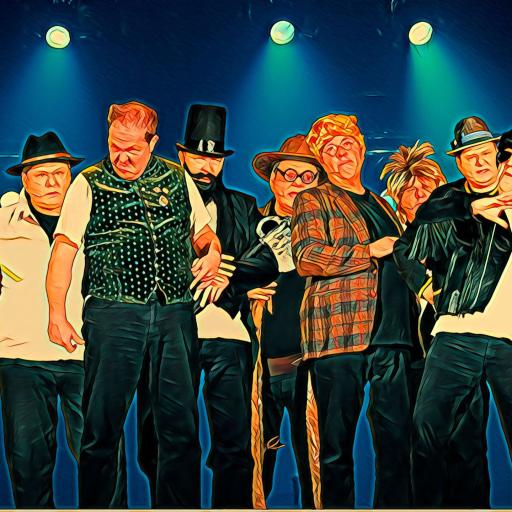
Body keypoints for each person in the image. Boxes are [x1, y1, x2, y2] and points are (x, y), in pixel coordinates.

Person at [45, 101, 221, 508]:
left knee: (180, 428)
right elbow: (64, 250)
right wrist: (56, 314)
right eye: (115, 146)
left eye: (133, 149)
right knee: (101, 428)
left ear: (152, 143)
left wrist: (211, 253)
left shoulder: (177, 178)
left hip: (175, 313)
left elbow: (203, 233)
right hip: (113, 313)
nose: (122, 157)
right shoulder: (89, 182)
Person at [138, 104, 278, 508]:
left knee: (234, 444)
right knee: (163, 439)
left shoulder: (242, 205)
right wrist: (196, 273)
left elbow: (267, 260)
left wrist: (227, 275)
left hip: (229, 336)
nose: (206, 166)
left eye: (214, 158)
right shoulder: (151, 203)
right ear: (181, 155)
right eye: (198, 157)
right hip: (169, 334)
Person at [291, 113, 422, 508]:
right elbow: (307, 257)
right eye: (329, 149)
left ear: (362, 148)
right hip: (339, 337)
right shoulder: (313, 199)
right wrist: (368, 251)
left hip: (395, 338)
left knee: (398, 446)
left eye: (346, 144)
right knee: (335, 449)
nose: (340, 154)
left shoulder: (383, 204)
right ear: (321, 160)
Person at [394, 116, 512, 507]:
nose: (479, 162)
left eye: (485, 152)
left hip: (509, 340)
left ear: (498, 154)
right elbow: (405, 248)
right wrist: (427, 289)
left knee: (472, 445)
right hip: (458, 332)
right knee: (429, 431)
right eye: (469, 156)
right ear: (458, 163)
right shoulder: (447, 200)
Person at [381, 140, 490, 507]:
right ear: (398, 200)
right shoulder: (392, 247)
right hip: (407, 363)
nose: (421, 196)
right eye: (412, 190)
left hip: (462, 355)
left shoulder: (467, 237)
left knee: (467, 448)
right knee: (409, 451)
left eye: (429, 189)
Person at [0, 132, 87, 508]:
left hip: (86, 355)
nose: (52, 182)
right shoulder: (3, 224)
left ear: (70, 176)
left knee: (101, 458)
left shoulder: (95, 222)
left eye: (59, 172)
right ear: (24, 178)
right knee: (28, 463)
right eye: (41, 174)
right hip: (21, 358)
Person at [249, 134, 323, 509]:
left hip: (310, 365)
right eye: (288, 173)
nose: (296, 183)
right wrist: (243, 288)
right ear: (272, 178)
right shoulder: (249, 224)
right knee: (254, 462)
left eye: (307, 176)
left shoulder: (329, 230)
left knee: (316, 464)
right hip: (258, 366)